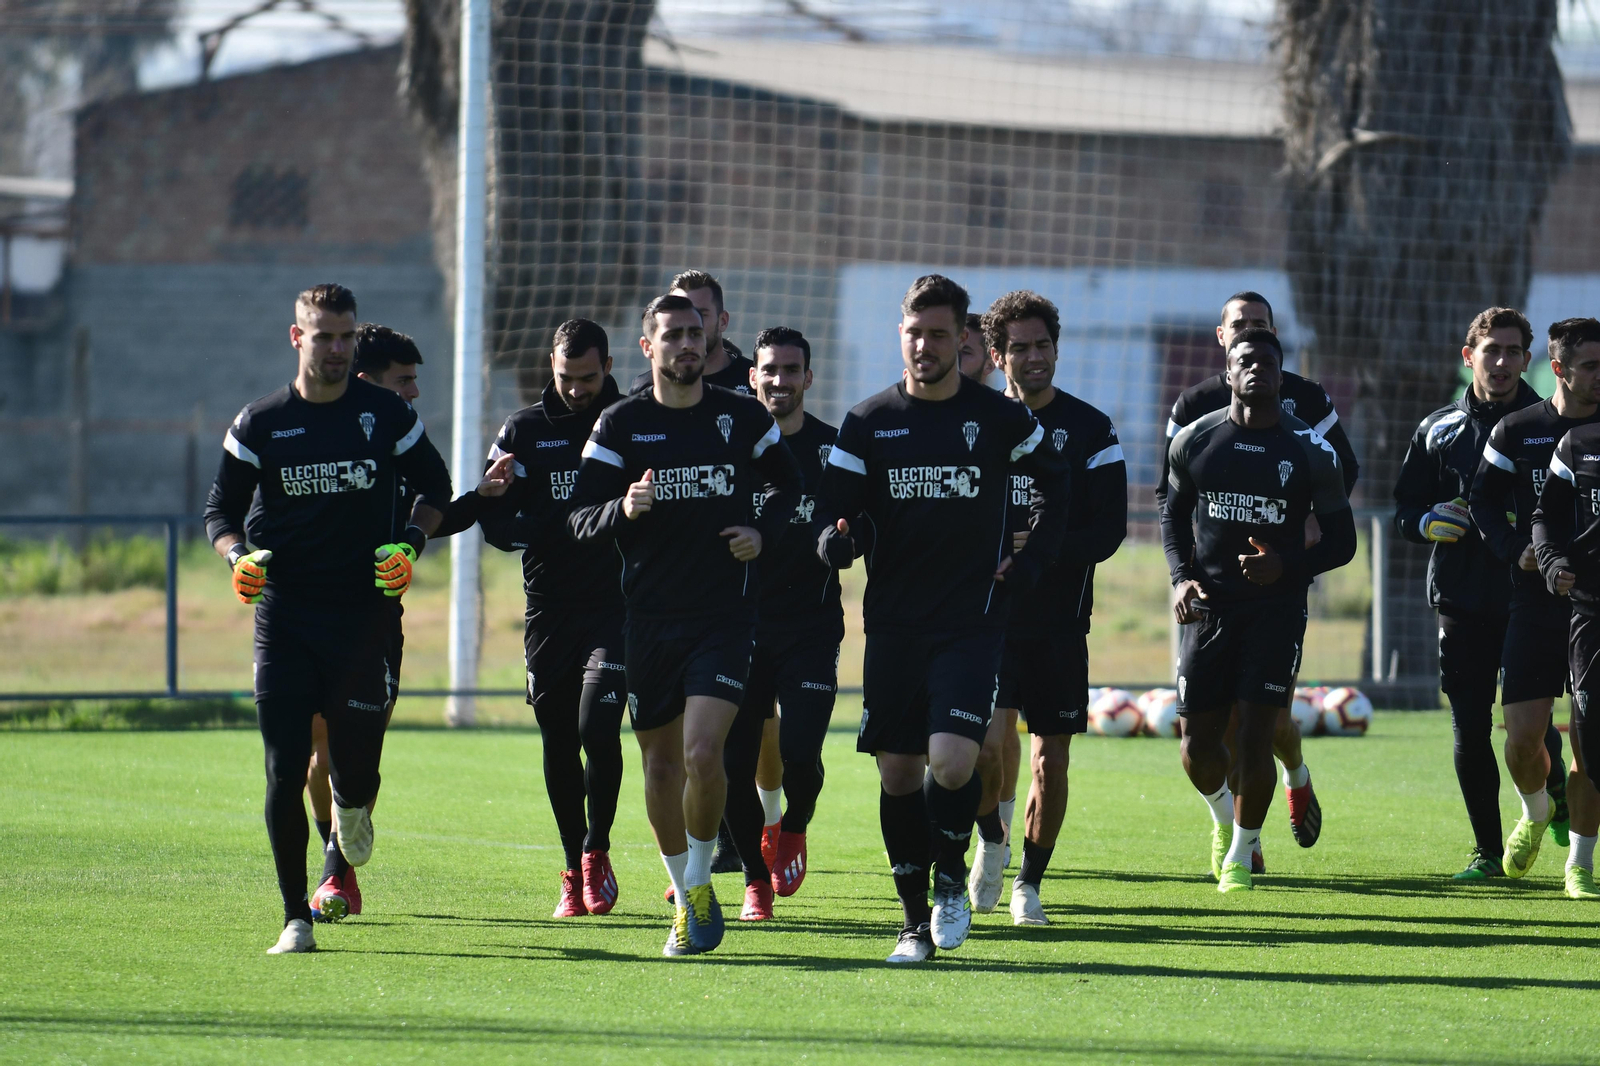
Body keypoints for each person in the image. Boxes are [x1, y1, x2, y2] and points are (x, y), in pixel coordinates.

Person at [814, 274, 1070, 962]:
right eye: (913, 332)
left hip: (972, 621)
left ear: (963, 340)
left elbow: (1059, 487)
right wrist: (838, 544)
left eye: (937, 334)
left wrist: (1032, 559)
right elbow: (836, 518)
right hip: (894, 625)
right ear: (900, 335)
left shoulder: (999, 419)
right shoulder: (867, 423)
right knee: (898, 776)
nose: (923, 345)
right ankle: (910, 923)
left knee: (954, 765)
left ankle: (951, 880)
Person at [203, 283, 453, 954]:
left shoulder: (386, 416)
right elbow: (219, 513)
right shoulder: (259, 423)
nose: (337, 348)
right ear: (298, 337)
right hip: (284, 617)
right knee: (285, 768)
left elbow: (437, 487)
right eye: (324, 336)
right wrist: (236, 558)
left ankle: (352, 808)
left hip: (364, 619)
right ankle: (295, 916)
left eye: (346, 336)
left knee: (355, 765)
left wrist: (410, 544)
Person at [569, 294, 802, 957]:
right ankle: (686, 891)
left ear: (709, 340)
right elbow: (579, 520)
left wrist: (763, 529)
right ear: (648, 348)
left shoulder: (740, 416)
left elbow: (789, 485)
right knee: (663, 768)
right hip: (648, 623)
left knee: (704, 755)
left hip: (725, 618)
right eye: (671, 334)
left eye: (694, 332)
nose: (686, 343)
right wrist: (624, 508)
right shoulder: (621, 425)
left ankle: (700, 880)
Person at [437, 319, 631, 917]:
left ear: (607, 366)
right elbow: (494, 523)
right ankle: (572, 868)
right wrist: (543, 529)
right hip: (549, 609)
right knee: (556, 737)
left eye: (589, 377)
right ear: (552, 364)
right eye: (567, 378)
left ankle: (598, 850)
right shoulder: (521, 431)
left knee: (597, 727)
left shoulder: (631, 420)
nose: (577, 389)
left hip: (617, 605)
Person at [1159, 291, 1359, 870]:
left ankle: (1245, 849)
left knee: (1258, 729)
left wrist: (1291, 562)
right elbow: (1172, 506)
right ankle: (1231, 816)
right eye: (1242, 343)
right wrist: (1180, 578)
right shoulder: (1193, 428)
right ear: (1224, 353)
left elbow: (1342, 519)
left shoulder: (1308, 435)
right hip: (1209, 606)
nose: (1255, 364)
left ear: (1280, 358)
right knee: (1198, 748)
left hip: (1275, 609)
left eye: (1264, 346)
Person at [966, 291, 1127, 925]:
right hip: (988, 617)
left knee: (1049, 758)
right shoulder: (975, 423)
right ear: (999, 356)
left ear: (1056, 349)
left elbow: (1108, 531)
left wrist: (1043, 549)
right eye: (1020, 349)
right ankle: (992, 841)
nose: (1034, 358)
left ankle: (1030, 884)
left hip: (1060, 623)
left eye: (1043, 346)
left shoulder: (1092, 429)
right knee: (983, 747)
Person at [1394, 306, 1553, 880]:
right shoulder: (1439, 429)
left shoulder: (1553, 428)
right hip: (1460, 598)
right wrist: (1426, 522)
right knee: (1468, 724)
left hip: (1534, 598)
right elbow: (1403, 512)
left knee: (1528, 724)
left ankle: (1548, 786)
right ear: (1470, 357)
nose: (1503, 362)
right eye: (1493, 351)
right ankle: (1488, 853)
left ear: (1528, 360)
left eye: (1514, 352)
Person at [719, 326, 847, 919]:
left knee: (799, 751)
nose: (779, 381)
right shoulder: (729, 442)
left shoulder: (834, 447)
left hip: (812, 625)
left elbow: (860, 520)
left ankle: (792, 827)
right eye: (768, 369)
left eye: (791, 370)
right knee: (735, 760)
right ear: (752, 376)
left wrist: (842, 543)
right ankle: (754, 879)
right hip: (739, 622)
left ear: (808, 379)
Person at [1475, 317, 1600, 888]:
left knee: (1587, 741)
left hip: (1594, 607)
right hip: (1535, 602)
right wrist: (1514, 550)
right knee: (1523, 741)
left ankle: (1579, 864)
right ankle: (1535, 810)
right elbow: (1482, 501)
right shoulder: (1518, 429)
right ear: (1558, 370)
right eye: (1591, 367)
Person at [305, 324, 423, 922]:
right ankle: (334, 869)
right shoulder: (309, 427)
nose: (414, 393)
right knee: (314, 747)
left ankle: (337, 864)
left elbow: (436, 498)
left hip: (377, 616)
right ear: (366, 381)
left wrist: (417, 540)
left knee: (357, 747)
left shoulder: (403, 436)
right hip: (305, 615)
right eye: (403, 381)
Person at [1533, 391, 1600, 899]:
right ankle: (1579, 863)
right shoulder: (1578, 444)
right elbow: (1545, 518)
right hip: (1591, 616)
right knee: (1589, 748)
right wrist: (1552, 562)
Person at [630, 270, 754, 397]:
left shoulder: (755, 379)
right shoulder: (645, 387)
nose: (691, 323)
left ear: (723, 321)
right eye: (679, 316)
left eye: (700, 314)